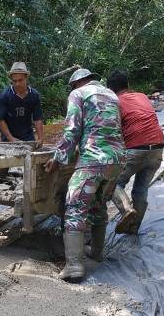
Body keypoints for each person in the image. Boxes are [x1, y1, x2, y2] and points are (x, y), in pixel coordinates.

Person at [45, 68, 125, 283]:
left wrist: (59, 157)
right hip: (117, 160)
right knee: (98, 204)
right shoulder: (111, 95)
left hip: (94, 159)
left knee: (74, 207)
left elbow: (72, 129)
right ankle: (97, 252)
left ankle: (73, 266)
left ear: (76, 83)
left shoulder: (78, 94)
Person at [106, 71, 164, 235]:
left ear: (110, 90)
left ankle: (126, 210)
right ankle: (133, 228)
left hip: (136, 148)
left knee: (113, 184)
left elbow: (113, 130)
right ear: (128, 85)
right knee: (141, 189)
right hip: (158, 147)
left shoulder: (114, 102)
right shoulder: (142, 96)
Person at [0, 62, 44, 146]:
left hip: (28, 137)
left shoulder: (34, 95)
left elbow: (38, 119)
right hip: (8, 138)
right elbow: (0, 120)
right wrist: (11, 139)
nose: (17, 84)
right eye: (14, 81)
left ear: (26, 77)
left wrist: (40, 138)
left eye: (20, 80)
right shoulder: (4, 96)